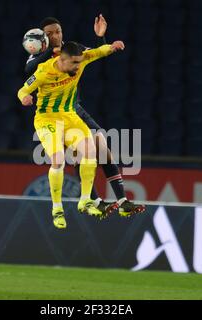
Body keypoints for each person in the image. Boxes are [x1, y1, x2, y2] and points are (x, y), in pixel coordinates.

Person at [25, 16, 145, 217]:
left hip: (74, 108)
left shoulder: (73, 48)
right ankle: (92, 201)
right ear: (42, 38)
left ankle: (122, 200)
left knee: (101, 145)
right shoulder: (38, 55)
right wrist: (49, 53)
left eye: (58, 31)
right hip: (52, 115)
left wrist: (101, 39)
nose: (55, 35)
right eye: (49, 33)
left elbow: (94, 54)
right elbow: (29, 69)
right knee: (78, 154)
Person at [18, 40, 125, 229]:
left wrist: (112, 47)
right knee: (58, 160)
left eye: (79, 63)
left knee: (90, 152)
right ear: (61, 59)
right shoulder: (44, 71)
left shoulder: (80, 60)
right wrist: (25, 98)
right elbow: (23, 89)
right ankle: (57, 209)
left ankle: (85, 200)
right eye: (74, 63)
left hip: (69, 116)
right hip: (47, 119)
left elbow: (99, 51)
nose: (78, 66)